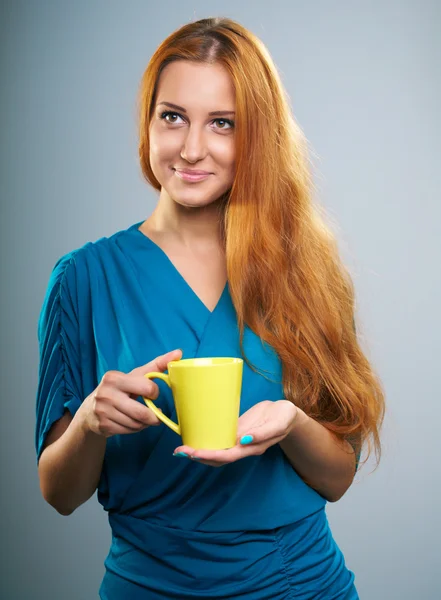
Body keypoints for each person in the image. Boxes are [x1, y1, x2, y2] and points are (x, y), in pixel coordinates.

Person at [35, 16, 385, 600]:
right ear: (148, 122)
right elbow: (59, 493)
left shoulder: (301, 272)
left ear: (256, 139)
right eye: (173, 116)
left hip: (299, 586)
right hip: (148, 586)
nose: (191, 148)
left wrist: (292, 424)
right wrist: (92, 421)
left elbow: (337, 478)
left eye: (222, 124)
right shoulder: (82, 279)